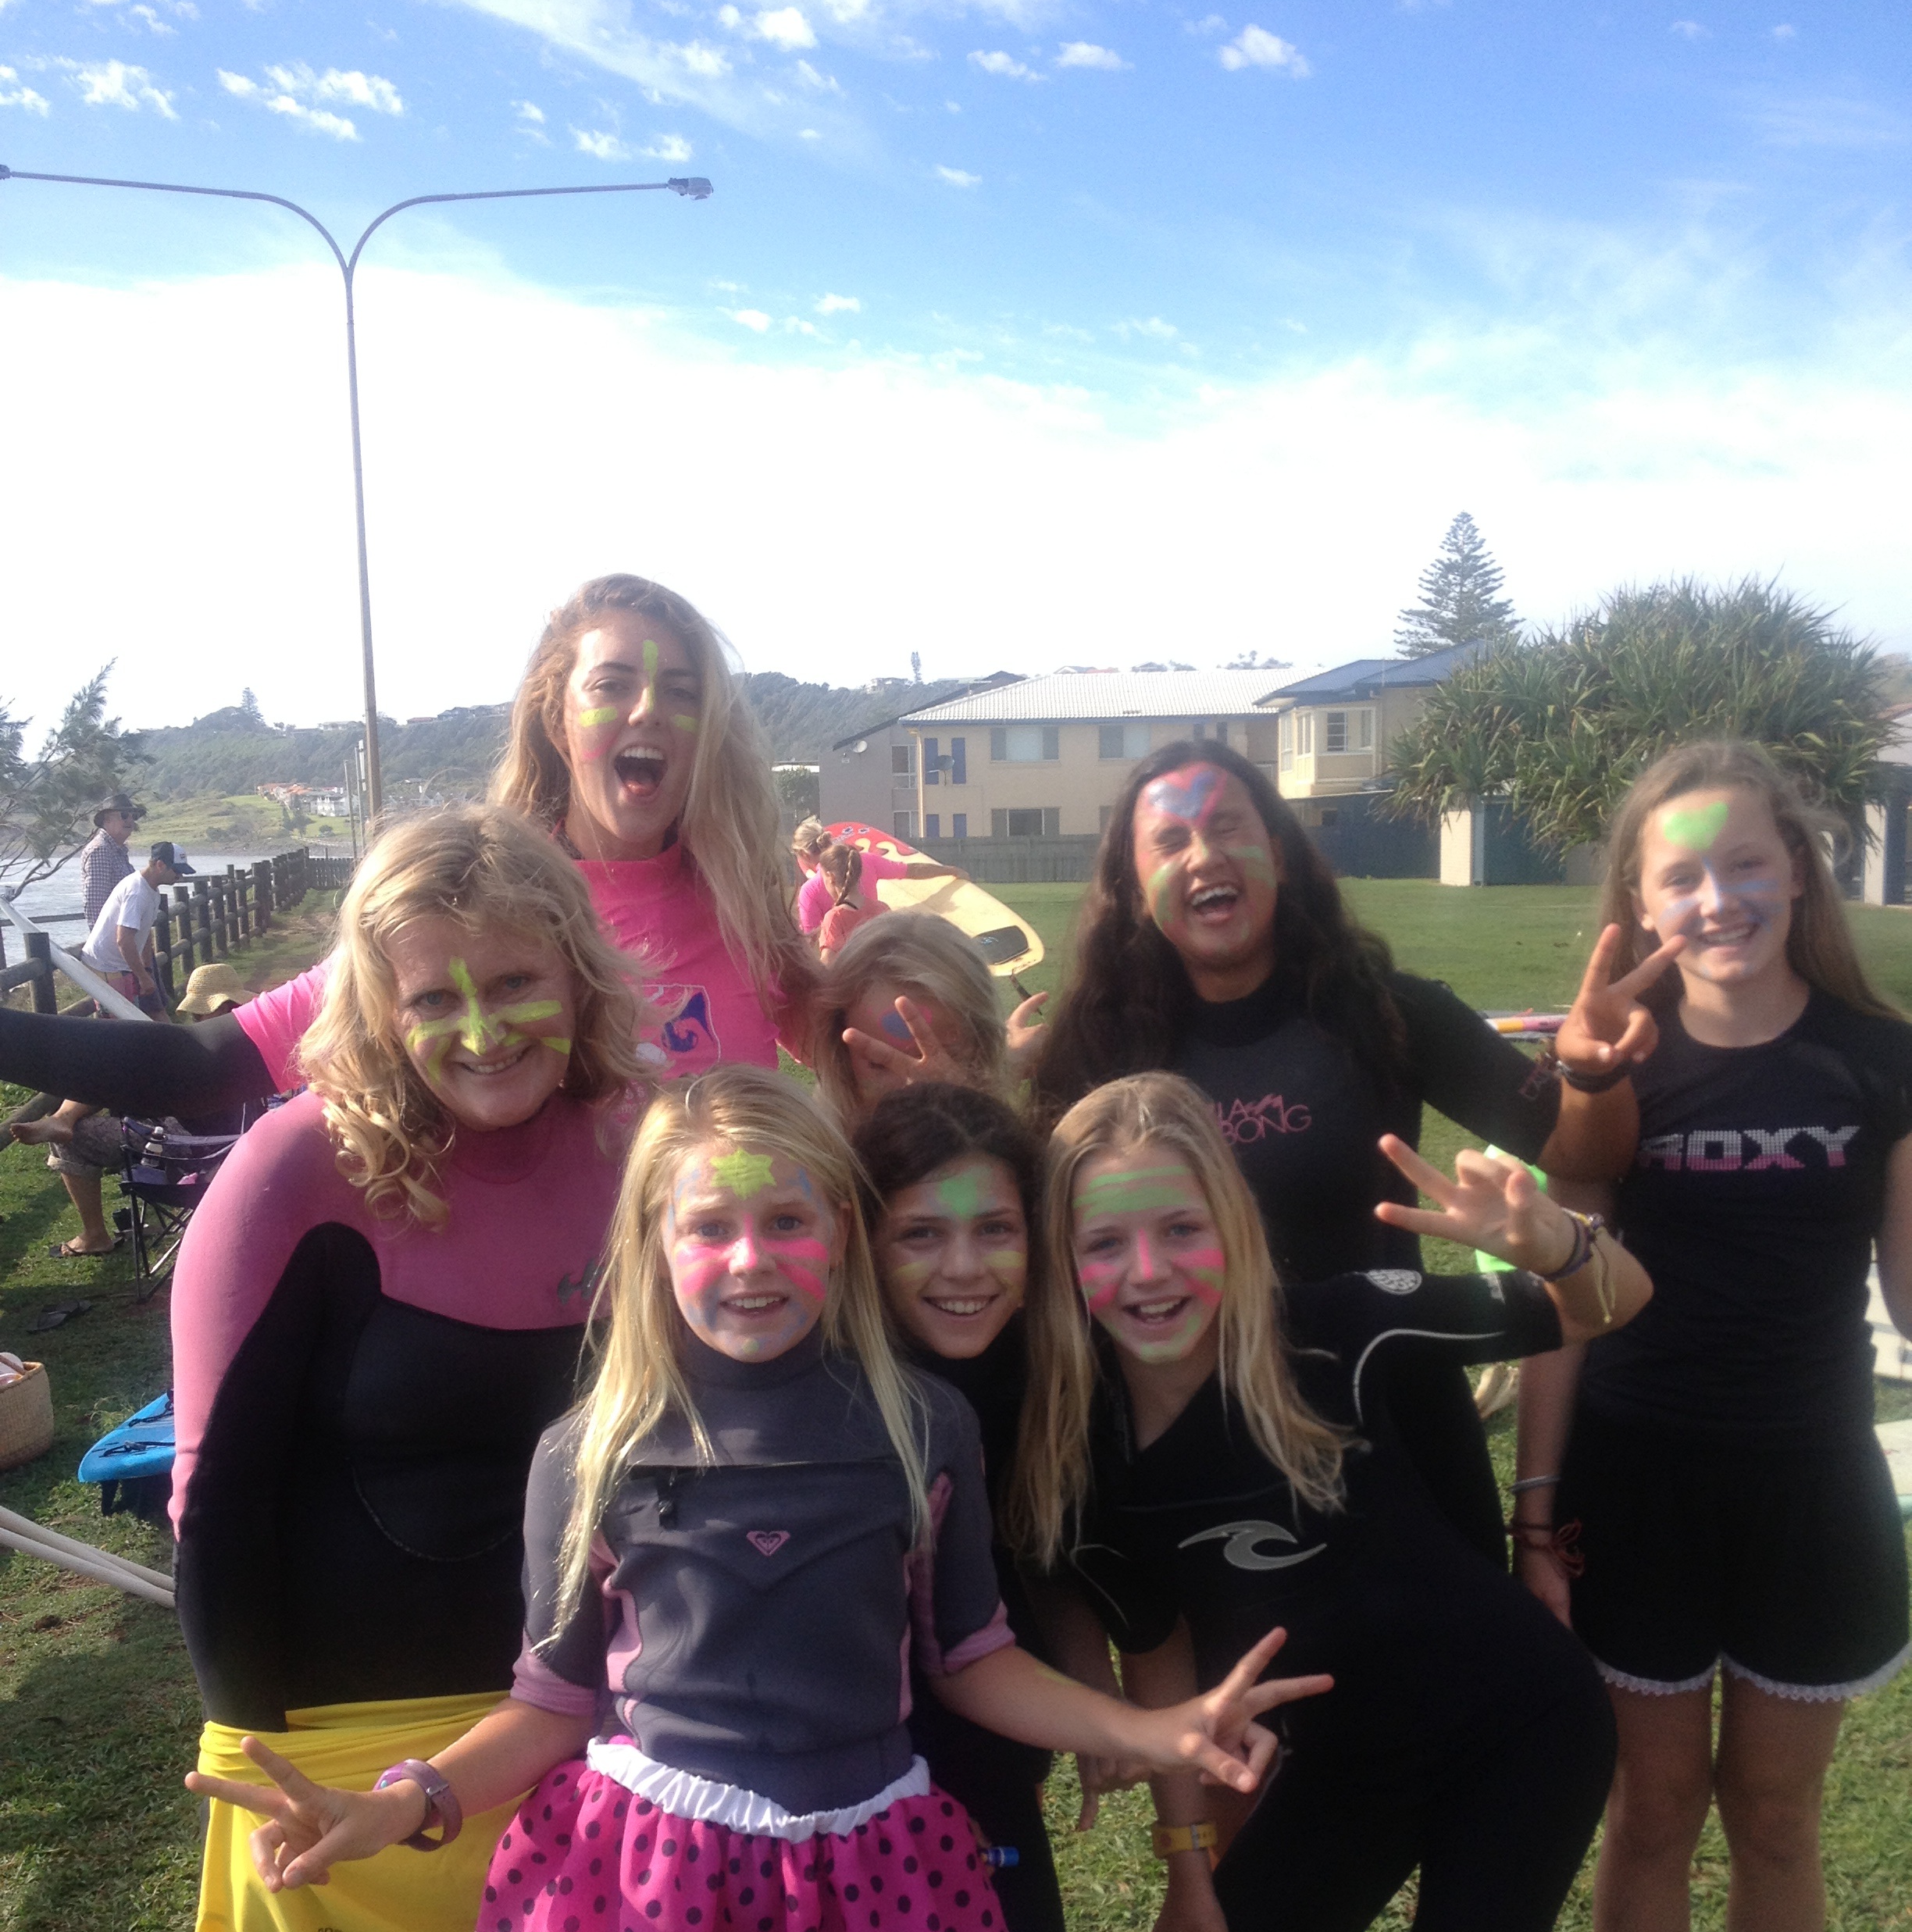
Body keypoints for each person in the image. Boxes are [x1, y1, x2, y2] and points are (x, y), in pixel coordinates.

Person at [192, 1064, 1329, 1932]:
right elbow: (549, 1702)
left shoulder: (918, 1423)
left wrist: (1149, 1730)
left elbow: (972, 1654)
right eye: (709, 1225)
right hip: (651, 1911)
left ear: (841, 1233)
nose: (749, 1259)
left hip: (874, 1890)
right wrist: (402, 1802)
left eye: (787, 1219)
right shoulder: (589, 1451)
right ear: (651, 1242)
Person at [1011, 1071, 1650, 1932]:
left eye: (1179, 1229)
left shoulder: (1339, 1329)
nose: (1146, 1271)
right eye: (1106, 1241)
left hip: (1516, 1735)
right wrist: (1189, 1866)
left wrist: (1551, 1242)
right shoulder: (1083, 1445)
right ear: (1061, 1260)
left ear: (1232, 1229)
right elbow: (1163, 1666)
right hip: (1345, 1769)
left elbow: (1615, 1300)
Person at [155, 805, 645, 1932]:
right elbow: (212, 1504)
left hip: (566, 1733)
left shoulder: (639, 1150)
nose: (479, 1029)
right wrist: (259, 1756)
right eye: (432, 996)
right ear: (374, 1003)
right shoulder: (293, 1171)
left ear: (578, 974)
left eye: (514, 982)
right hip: (327, 1757)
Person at [1515, 743, 1912, 1932]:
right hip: (1640, 1485)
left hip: (1811, 1488)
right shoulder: (1609, 1060)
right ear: (1637, 901)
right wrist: (1535, 1512)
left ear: (1796, 871)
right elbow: (1565, 1301)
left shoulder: (1878, 1059)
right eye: (1680, 874)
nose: (1719, 897)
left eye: (1746, 862)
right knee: (1654, 1812)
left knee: (1777, 1815)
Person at [738, 1082, 1164, 1932]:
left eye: (995, 1230)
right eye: (922, 1233)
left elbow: (1050, 1557)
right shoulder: (810, 1373)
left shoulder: (1051, 1376)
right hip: (813, 1785)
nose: (963, 1266)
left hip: (978, 1771)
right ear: (863, 1239)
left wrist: (1088, 1679)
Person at [1029, 742, 1668, 1569]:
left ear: (1279, 854)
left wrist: (1592, 1073)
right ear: (1131, 885)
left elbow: (1587, 1154)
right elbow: (1034, 1243)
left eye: (1228, 827)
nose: (1205, 855)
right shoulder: (1096, 1048)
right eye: (1171, 841)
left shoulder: (1385, 1012)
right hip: (1204, 1447)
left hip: (1399, 1421)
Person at [0, 572, 812, 1117]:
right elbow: (204, 1065)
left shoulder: (745, 912)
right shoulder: (469, 903)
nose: (649, 710)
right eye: (612, 684)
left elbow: (867, 1048)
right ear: (556, 718)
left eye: (681, 691)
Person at [9, 964, 261, 1260]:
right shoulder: (249, 1039)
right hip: (233, 1144)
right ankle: (62, 1118)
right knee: (119, 1076)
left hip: (189, 1149)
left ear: (222, 1008)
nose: (194, 1019)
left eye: (199, 1013)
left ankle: (94, 1234)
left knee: (78, 1134)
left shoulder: (210, 1050)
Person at [808, 914, 1011, 1125]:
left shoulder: (1005, 1135)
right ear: (841, 1055)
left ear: (982, 1046)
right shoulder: (821, 1136)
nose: (910, 1087)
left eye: (944, 1058)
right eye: (878, 1063)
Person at [80, 839, 194, 1011]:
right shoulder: (137, 892)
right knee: (120, 1018)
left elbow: (144, 932)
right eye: (177, 871)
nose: (180, 877)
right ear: (160, 865)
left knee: (139, 1015)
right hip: (106, 964)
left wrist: (146, 969)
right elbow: (124, 940)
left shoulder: (152, 890)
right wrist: (143, 976)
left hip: (122, 963)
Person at [80, 793, 144, 926]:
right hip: (113, 934)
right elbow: (95, 904)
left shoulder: (118, 850)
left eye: (133, 816)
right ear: (107, 820)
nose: (130, 820)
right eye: (124, 815)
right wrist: (103, 935)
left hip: (123, 930)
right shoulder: (100, 850)